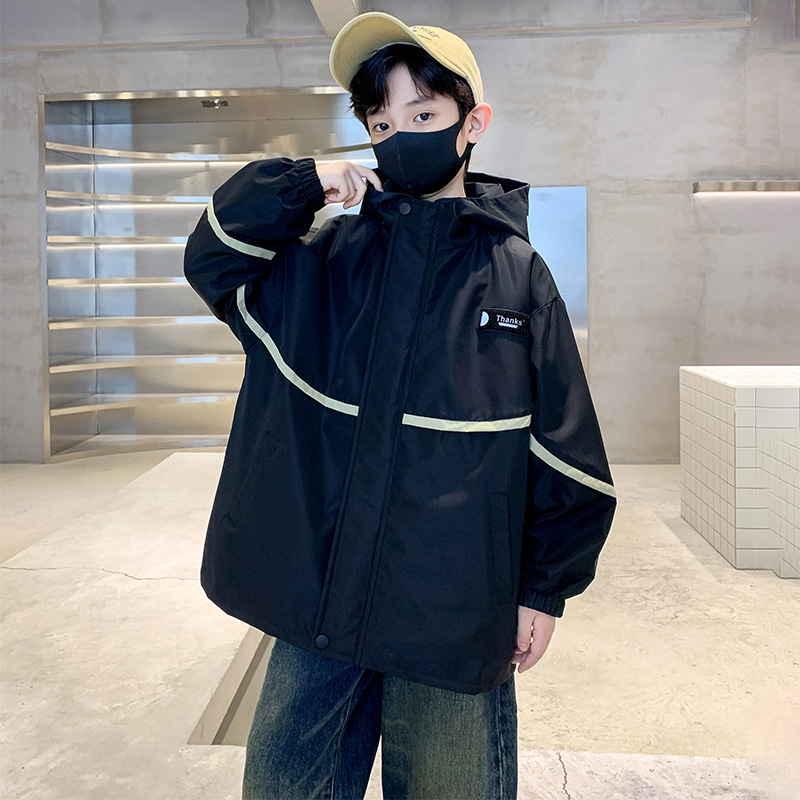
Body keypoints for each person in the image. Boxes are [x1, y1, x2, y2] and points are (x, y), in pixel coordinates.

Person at [183, 10, 617, 800]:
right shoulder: (323, 261)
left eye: (423, 114)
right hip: (317, 605)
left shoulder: (517, 277)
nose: (399, 135)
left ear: (472, 123)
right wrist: (301, 185)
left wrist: (544, 587)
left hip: (453, 611)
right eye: (382, 123)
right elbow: (215, 259)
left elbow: (565, 448)